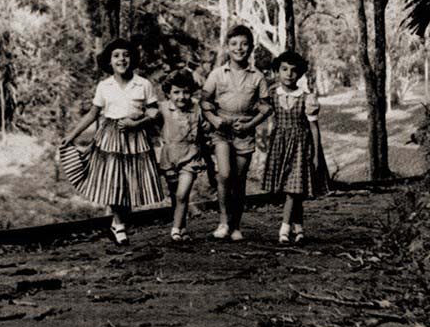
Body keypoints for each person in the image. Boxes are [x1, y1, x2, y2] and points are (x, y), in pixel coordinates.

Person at [59, 38, 163, 246]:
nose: (121, 59)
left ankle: (120, 223)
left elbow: (154, 111)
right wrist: (71, 135)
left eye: (125, 55)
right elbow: (92, 114)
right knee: (112, 180)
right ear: (109, 61)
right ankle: (119, 223)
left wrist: (139, 123)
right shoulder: (104, 86)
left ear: (131, 58)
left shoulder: (143, 84)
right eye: (116, 56)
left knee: (130, 182)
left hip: (135, 137)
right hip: (110, 138)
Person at [201, 25, 272, 241]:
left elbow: (267, 107)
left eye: (244, 44)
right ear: (227, 46)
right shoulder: (217, 74)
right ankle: (223, 222)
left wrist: (251, 125)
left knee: (239, 180)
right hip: (222, 131)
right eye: (234, 44)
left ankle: (236, 226)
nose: (239, 48)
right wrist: (214, 119)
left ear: (251, 47)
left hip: (245, 132)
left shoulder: (257, 77)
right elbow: (204, 101)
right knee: (225, 175)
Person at [262, 50, 330, 244]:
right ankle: (298, 227)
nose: (288, 74)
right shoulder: (273, 93)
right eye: (284, 69)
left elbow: (314, 128)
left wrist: (316, 154)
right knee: (293, 188)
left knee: (294, 188)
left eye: (293, 70)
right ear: (277, 71)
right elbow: (261, 112)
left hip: (301, 145)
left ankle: (284, 229)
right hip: (280, 144)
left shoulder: (307, 98)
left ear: (300, 74)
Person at [157, 69, 207, 242]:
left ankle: (176, 229)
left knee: (182, 193)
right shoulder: (163, 108)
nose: (181, 97)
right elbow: (149, 122)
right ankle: (182, 227)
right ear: (168, 93)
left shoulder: (197, 109)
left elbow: (204, 131)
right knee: (175, 195)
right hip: (169, 157)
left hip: (190, 156)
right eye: (176, 92)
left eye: (185, 92)